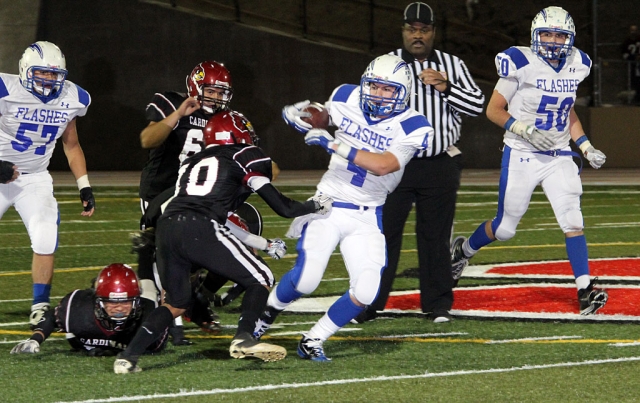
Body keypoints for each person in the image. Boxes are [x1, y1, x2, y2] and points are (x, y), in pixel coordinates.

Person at [113, 111, 332, 373]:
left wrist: (264, 243)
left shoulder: (191, 163)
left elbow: (223, 216)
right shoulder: (245, 155)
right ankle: (244, 338)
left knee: (175, 303)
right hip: (198, 224)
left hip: (167, 227)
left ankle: (127, 358)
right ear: (235, 133)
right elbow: (283, 207)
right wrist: (314, 206)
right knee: (261, 276)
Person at [253, 53, 433, 361]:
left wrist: (334, 144)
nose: (378, 94)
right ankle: (265, 314)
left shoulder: (413, 125)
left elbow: (384, 165)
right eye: (374, 86)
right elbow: (322, 115)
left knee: (366, 290)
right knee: (308, 279)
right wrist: (304, 113)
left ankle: (313, 338)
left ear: (403, 92)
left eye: (388, 89)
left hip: (368, 214)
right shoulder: (347, 95)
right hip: (329, 203)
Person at [450, 6, 609, 315]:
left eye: (559, 35)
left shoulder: (578, 64)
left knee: (573, 219)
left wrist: (586, 147)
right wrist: (523, 129)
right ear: (535, 36)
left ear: (570, 39)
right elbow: (494, 109)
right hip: (523, 152)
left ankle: (585, 290)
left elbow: (567, 110)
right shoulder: (521, 62)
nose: (552, 40)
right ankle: (463, 250)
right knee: (506, 228)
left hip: (559, 153)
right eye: (546, 34)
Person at [356, 2, 485, 324]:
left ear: (433, 33)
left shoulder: (452, 65)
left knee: (436, 237)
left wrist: (445, 87)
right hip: (394, 163)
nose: (417, 35)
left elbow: (477, 106)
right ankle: (371, 303)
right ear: (402, 31)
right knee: (384, 234)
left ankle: (437, 305)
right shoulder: (385, 65)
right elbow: (364, 106)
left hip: (439, 162)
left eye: (424, 30)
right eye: (411, 29)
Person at [0, 41, 95, 327]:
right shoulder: (6, 90)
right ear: (26, 70)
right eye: (42, 73)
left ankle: (40, 306)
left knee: (45, 233)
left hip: (35, 178)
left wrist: (84, 185)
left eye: (55, 75)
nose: (49, 80)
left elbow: (72, 145)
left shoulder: (72, 97)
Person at [11, 263, 167, 356]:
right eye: (111, 303)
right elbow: (52, 316)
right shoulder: (79, 310)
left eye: (126, 302)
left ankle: (145, 251)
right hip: (85, 334)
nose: (119, 308)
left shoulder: (147, 318)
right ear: (98, 302)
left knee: (150, 287)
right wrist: (35, 340)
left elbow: (156, 345)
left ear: (136, 302)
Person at [621, 24, 640, 105]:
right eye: (632, 30)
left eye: (635, 30)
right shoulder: (626, 42)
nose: (633, 32)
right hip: (632, 66)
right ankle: (635, 99)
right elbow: (624, 55)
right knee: (634, 82)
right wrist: (633, 58)